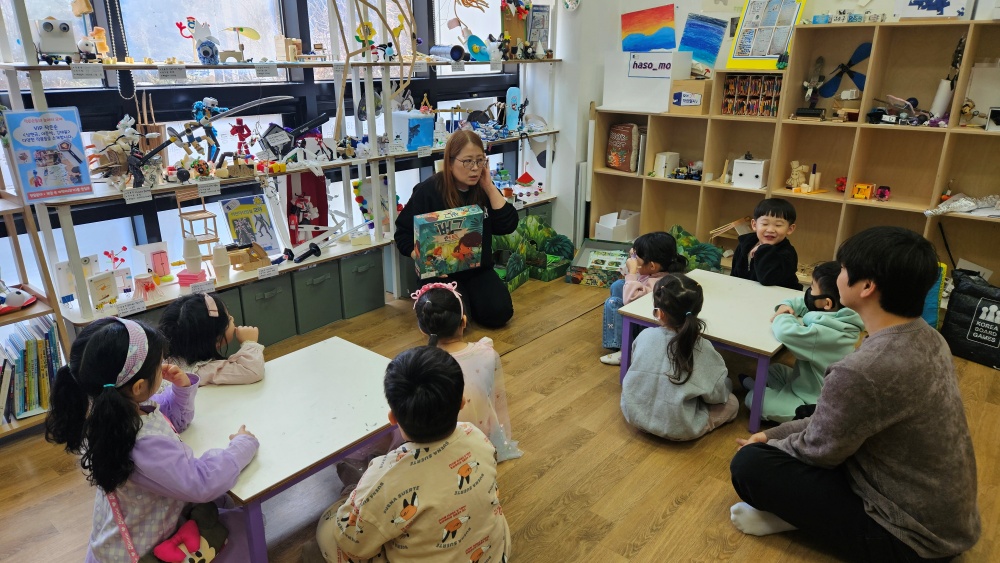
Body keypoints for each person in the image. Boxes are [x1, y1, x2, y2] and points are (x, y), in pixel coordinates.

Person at [730, 227, 981, 561]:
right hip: (945, 518)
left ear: (866, 287)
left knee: (750, 465)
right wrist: (771, 433)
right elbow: (838, 421)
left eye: (844, 268)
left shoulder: (863, 369)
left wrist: (767, 445)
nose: (838, 275)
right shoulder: (928, 336)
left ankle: (794, 519)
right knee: (809, 414)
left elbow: (817, 451)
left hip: (910, 540)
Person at [44, 317, 259, 562]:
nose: (165, 365)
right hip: (145, 552)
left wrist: (181, 390)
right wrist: (242, 445)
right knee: (244, 527)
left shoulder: (109, 413)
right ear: (138, 387)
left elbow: (166, 420)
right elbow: (202, 483)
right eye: (159, 363)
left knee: (224, 504)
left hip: (123, 535)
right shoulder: (143, 444)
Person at [314, 346, 511, 563]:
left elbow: (352, 544)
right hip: (492, 554)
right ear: (462, 403)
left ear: (392, 418)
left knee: (328, 526)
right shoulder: (476, 435)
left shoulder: (384, 475)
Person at [394, 130, 520, 328]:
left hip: (478, 270)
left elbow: (507, 225)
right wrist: (422, 260)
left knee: (499, 313)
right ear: (450, 162)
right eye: (467, 161)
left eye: (480, 161)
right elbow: (402, 233)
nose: (475, 168)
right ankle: (461, 302)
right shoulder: (428, 190)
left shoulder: (483, 188)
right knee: (449, 323)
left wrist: (489, 186)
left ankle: (470, 300)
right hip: (439, 274)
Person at [620, 274, 739, 441]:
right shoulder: (703, 347)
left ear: (659, 313)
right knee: (732, 402)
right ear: (697, 310)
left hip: (635, 416)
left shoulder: (644, 335)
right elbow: (716, 396)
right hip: (679, 429)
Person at [412, 281, 521, 461]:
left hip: (439, 445)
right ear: (463, 320)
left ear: (422, 330)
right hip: (481, 437)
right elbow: (496, 398)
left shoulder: (420, 365)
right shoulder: (487, 353)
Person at [742, 261, 863, 422]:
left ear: (827, 303)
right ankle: (770, 392)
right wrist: (786, 305)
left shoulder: (823, 334)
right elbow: (803, 304)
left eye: (812, 287)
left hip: (814, 403)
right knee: (774, 370)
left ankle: (758, 392)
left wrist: (784, 315)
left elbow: (785, 332)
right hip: (811, 384)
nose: (809, 292)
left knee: (755, 400)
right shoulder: (842, 315)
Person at [600, 231, 688, 366]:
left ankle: (626, 350)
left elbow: (630, 299)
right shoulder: (653, 270)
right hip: (639, 313)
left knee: (612, 303)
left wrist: (632, 271)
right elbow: (627, 274)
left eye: (637, 257)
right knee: (619, 285)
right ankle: (621, 337)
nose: (634, 260)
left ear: (652, 266)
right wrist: (634, 258)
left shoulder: (659, 283)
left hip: (645, 324)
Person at [159, 293, 264, 385]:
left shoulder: (169, 358)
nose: (232, 318)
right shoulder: (201, 370)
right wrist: (249, 343)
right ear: (215, 340)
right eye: (228, 319)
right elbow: (252, 371)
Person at [730, 198, 800, 290]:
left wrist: (763, 249)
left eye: (778, 225)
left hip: (779, 297)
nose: (770, 230)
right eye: (765, 224)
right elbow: (734, 275)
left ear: (790, 229)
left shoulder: (788, 253)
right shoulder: (745, 244)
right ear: (754, 225)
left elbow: (767, 279)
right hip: (746, 293)